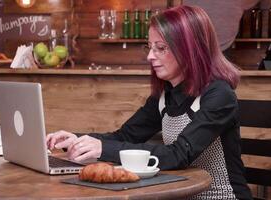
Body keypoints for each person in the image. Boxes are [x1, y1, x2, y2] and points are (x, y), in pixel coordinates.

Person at [47, 5, 252, 200]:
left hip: (221, 196)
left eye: (161, 48)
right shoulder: (164, 94)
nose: (150, 56)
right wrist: (77, 139)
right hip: (179, 194)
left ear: (190, 49)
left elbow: (179, 155)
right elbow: (126, 136)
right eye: (150, 46)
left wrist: (102, 149)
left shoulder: (219, 95)